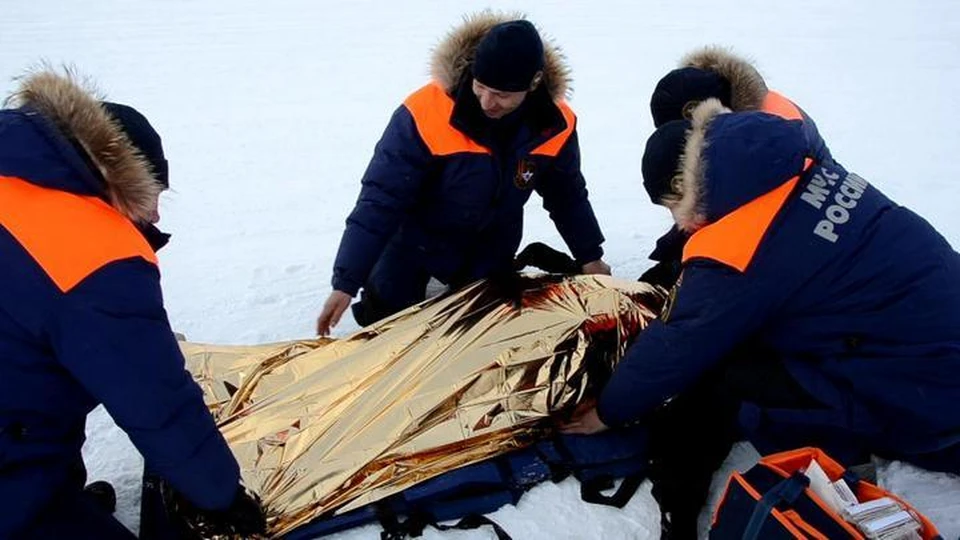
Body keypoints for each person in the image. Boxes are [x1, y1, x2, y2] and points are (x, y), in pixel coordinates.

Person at [561, 100, 960, 538]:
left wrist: (609, 410)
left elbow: (677, 344)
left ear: (683, 187)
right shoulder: (794, 166)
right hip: (937, 331)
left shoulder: (739, 249)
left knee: (735, 368)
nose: (675, 220)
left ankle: (839, 453)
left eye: (669, 205)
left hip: (931, 395)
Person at [0, 69, 264, 538]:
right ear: (122, 180)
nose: (158, 214)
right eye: (155, 194)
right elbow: (154, 399)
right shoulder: (91, 251)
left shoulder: (18, 177)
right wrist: (220, 496)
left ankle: (58, 493)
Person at [317, 13, 610, 334]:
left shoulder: (555, 125)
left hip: (490, 250)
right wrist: (345, 281)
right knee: (389, 323)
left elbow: (567, 196)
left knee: (476, 336)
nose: (487, 102)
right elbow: (380, 198)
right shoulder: (424, 113)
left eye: (502, 95)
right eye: (480, 86)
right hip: (414, 248)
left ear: (533, 84)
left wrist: (589, 255)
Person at [640, 46, 837, 288]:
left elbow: (739, 227)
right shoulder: (740, 115)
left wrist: (682, 268)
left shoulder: (774, 138)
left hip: (810, 236)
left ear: (694, 112)